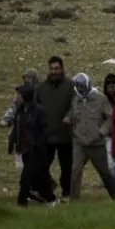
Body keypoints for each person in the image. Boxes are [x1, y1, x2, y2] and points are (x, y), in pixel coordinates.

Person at [65, 73, 115, 200]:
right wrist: (68, 118)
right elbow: (72, 113)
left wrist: (101, 132)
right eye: (78, 87)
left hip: (96, 143)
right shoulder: (76, 99)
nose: (80, 89)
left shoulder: (100, 98)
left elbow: (110, 118)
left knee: (104, 172)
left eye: (82, 86)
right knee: (75, 171)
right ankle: (74, 200)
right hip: (79, 142)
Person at [34, 56, 75, 199]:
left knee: (67, 167)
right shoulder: (40, 88)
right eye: (51, 69)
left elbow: (75, 104)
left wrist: (70, 116)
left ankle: (67, 192)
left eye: (57, 68)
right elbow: (35, 107)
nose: (54, 71)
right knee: (42, 166)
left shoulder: (70, 86)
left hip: (65, 134)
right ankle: (48, 189)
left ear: (62, 68)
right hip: (47, 135)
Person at [10, 82, 58, 207]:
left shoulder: (39, 111)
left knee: (25, 178)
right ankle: (50, 198)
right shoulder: (20, 111)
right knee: (39, 177)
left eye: (19, 95)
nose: (17, 97)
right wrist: (12, 142)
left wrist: (38, 143)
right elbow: (17, 128)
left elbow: (46, 130)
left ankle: (22, 203)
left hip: (36, 150)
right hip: (24, 149)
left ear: (26, 96)